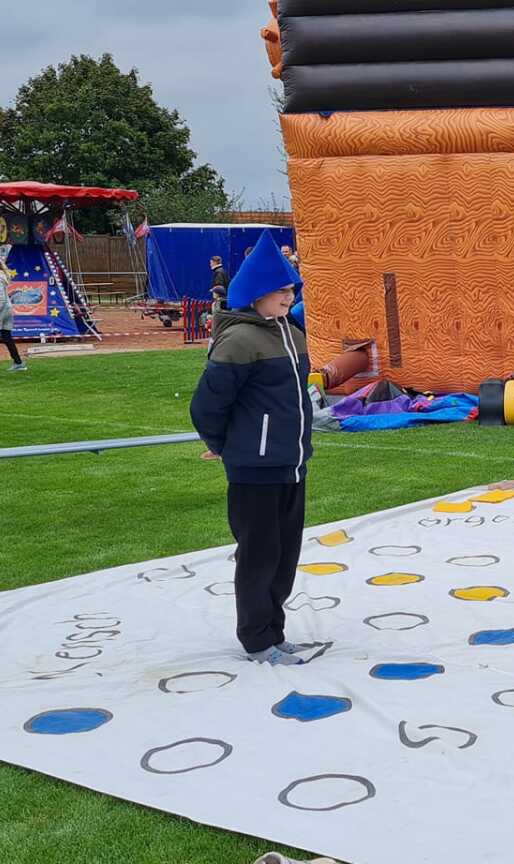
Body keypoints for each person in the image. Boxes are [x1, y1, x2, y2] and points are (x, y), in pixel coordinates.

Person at [190, 233, 317, 666]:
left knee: (284, 556)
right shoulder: (240, 340)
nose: (290, 297)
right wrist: (222, 445)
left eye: (292, 289)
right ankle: (256, 638)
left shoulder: (291, 332)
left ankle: (273, 632)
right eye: (282, 290)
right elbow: (207, 405)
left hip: (292, 463)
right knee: (259, 556)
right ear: (257, 292)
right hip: (255, 469)